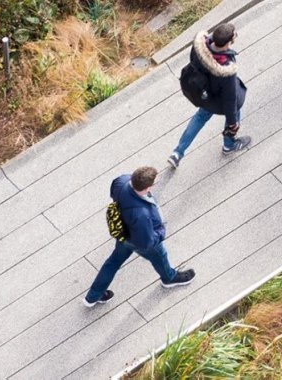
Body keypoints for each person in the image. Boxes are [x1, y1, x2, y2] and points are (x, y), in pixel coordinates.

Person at [83, 166, 195, 306]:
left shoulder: (121, 181)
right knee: (160, 256)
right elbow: (147, 242)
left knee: (113, 262)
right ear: (147, 188)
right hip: (138, 239)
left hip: (123, 234)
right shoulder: (141, 214)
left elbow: (114, 193)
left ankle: (93, 296)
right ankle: (169, 278)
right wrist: (160, 232)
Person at [167, 23, 251, 168]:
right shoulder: (226, 69)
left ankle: (177, 152)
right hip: (217, 99)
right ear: (227, 44)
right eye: (234, 36)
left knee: (199, 118)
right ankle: (229, 145)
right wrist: (232, 123)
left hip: (203, 94)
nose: (236, 36)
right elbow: (230, 99)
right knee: (234, 110)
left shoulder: (199, 46)